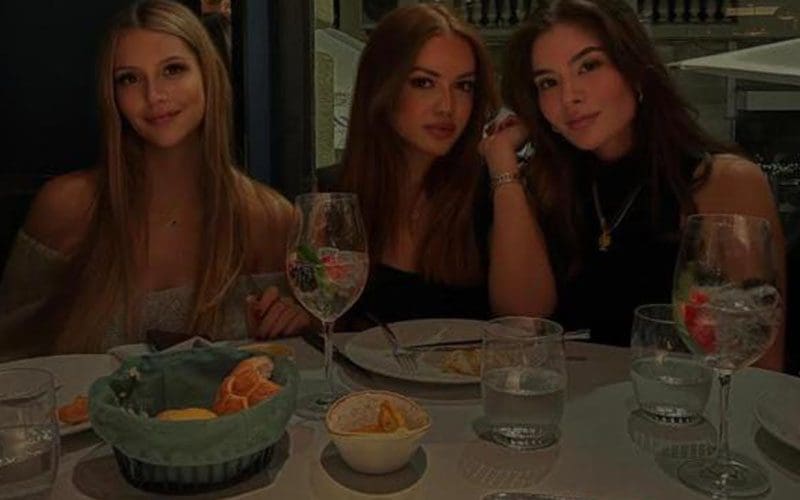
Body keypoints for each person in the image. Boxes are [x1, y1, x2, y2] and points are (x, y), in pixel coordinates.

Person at [482, 0, 786, 370]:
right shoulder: (547, 185)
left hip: (682, 419)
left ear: (636, 73)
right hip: (569, 415)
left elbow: (760, 366)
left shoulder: (721, 183)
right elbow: (522, 321)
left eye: (588, 66)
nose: (569, 97)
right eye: (548, 82)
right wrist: (502, 163)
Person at [0, 0, 306, 359]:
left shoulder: (271, 218)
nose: (154, 95)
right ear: (112, 95)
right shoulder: (68, 206)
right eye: (129, 78)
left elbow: (301, 361)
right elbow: (12, 363)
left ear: (209, 75)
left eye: (173, 69)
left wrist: (298, 325)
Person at [321, 4, 547, 327]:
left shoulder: (491, 192)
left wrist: (503, 163)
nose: (448, 106)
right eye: (424, 83)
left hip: (473, 377)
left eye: (464, 86)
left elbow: (528, 317)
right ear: (382, 87)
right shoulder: (334, 195)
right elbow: (323, 316)